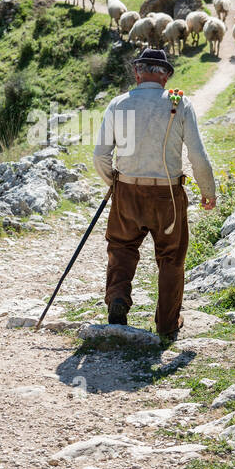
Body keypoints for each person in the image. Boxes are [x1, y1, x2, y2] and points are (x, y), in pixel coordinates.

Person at [93, 48, 216, 343]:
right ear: (165, 76)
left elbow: (100, 155)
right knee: (171, 257)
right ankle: (167, 324)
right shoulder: (179, 104)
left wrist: (115, 183)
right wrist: (207, 191)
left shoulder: (118, 104)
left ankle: (118, 300)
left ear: (137, 73)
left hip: (128, 190)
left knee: (121, 247)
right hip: (168, 195)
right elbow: (197, 154)